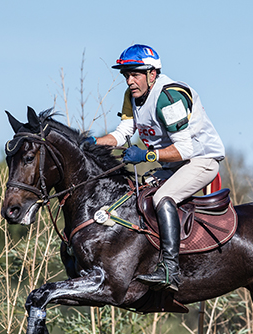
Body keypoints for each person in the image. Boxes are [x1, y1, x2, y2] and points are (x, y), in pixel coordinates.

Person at [87, 44, 225, 292]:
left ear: (152, 74)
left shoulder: (168, 97)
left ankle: (171, 270)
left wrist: (145, 155)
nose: (129, 81)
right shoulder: (133, 96)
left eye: (135, 74)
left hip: (201, 161)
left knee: (163, 196)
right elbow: (123, 133)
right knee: (134, 193)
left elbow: (185, 150)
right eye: (126, 75)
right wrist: (93, 142)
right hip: (174, 165)